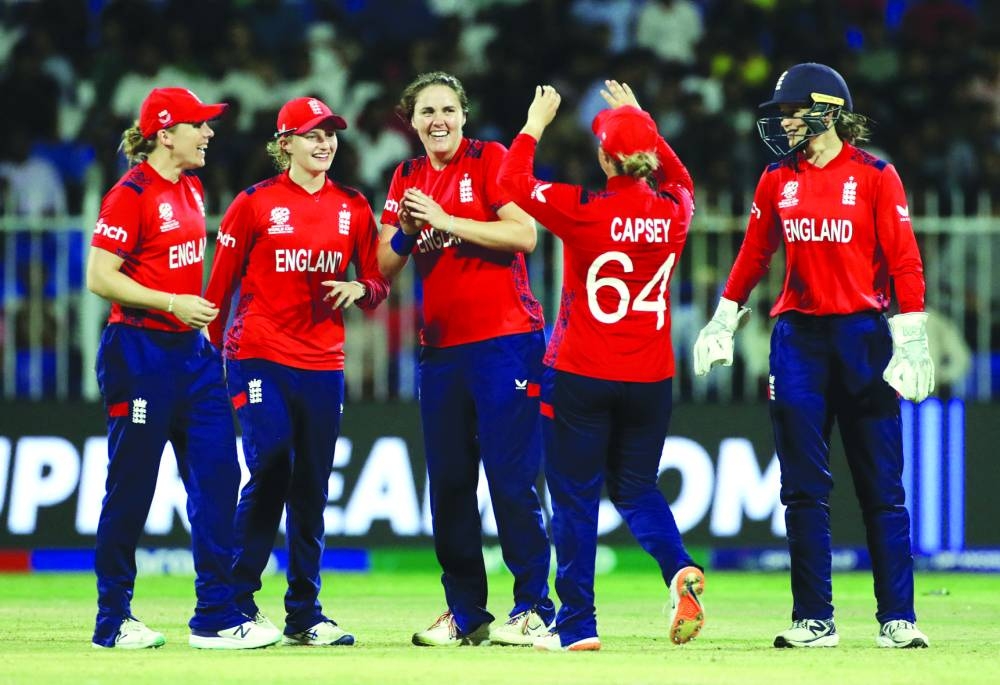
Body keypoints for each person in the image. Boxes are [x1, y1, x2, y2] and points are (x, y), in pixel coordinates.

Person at [693, 63, 934, 649]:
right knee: (801, 488)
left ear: (827, 110)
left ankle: (898, 618)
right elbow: (755, 252)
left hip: (862, 338)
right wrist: (724, 316)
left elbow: (903, 258)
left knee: (882, 487)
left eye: (792, 111)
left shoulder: (876, 175)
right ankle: (813, 619)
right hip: (798, 340)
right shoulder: (777, 177)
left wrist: (912, 336)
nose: (783, 123)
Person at [498, 81, 705, 651]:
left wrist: (534, 124)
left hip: (582, 372)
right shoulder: (674, 210)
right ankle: (678, 568)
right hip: (651, 378)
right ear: (647, 156)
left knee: (574, 497)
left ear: (605, 157)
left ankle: (578, 625)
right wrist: (645, 123)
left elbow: (510, 182)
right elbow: (684, 182)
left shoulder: (583, 208)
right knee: (636, 488)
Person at [86, 87, 282, 650]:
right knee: (132, 486)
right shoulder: (129, 195)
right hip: (139, 351)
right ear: (165, 134)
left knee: (218, 476)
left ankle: (215, 614)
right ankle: (112, 619)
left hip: (191, 357)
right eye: (199, 124)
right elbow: (100, 277)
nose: (209, 133)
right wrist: (172, 302)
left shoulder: (192, 187)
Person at [204, 96, 390, 647]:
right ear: (284, 143)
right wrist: (207, 360)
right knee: (272, 463)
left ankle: (304, 614)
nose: (324, 143)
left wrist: (361, 288)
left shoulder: (353, 206)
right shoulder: (254, 203)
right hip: (258, 354)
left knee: (311, 485)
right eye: (312, 134)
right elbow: (219, 289)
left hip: (323, 363)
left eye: (330, 133)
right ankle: (235, 601)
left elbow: (377, 284)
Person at [377, 71, 554, 647]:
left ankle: (534, 607)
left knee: (510, 480)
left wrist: (446, 220)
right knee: (450, 486)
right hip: (441, 352)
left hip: (506, 344)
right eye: (427, 111)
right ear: (411, 121)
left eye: (448, 109)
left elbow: (524, 233)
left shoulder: (491, 159)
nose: (439, 120)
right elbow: (382, 265)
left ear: (463, 115)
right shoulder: (406, 176)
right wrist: (407, 231)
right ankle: (465, 613)